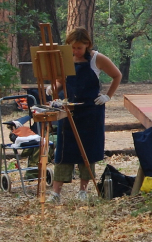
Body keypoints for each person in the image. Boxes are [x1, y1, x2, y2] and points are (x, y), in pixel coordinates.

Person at [48, 27, 122, 202]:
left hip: (91, 111)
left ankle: (83, 190)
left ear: (87, 45)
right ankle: (56, 193)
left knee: (87, 151)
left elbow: (117, 75)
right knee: (64, 151)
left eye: (79, 48)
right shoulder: (65, 58)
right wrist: (53, 88)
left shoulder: (97, 58)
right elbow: (61, 81)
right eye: (72, 48)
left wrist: (107, 96)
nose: (75, 51)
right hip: (68, 111)